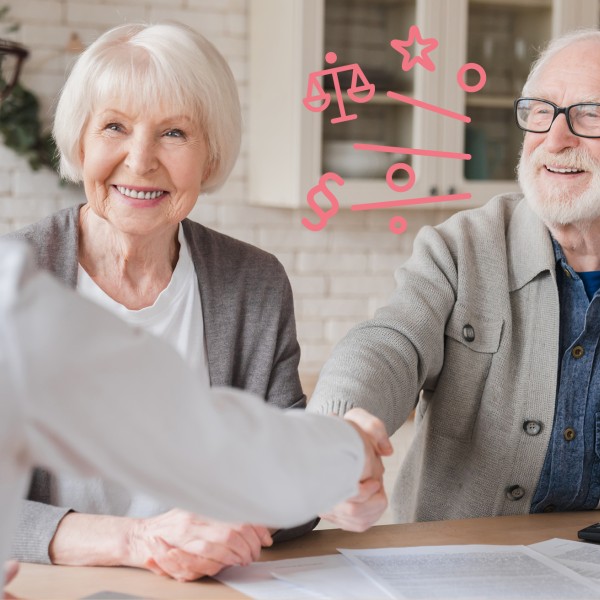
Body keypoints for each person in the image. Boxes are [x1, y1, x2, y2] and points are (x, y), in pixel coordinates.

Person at [2, 21, 352, 580]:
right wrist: (140, 539)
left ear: (210, 155)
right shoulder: (14, 280)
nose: (141, 161)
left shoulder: (253, 283)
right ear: (80, 141)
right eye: (114, 125)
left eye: (174, 134)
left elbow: (290, 481)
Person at [309, 28, 600, 527]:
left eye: (591, 114)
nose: (555, 139)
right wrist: (335, 430)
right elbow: (390, 341)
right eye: (540, 111)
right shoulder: (462, 247)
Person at [0, 238, 391, 589]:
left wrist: (329, 482)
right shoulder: (19, 289)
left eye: (175, 148)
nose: (140, 162)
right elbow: (185, 432)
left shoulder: (254, 279)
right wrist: (346, 455)